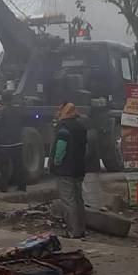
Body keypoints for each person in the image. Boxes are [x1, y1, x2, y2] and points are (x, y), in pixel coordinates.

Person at [52, 102, 88, 238]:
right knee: (78, 199)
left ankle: (72, 231)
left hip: (65, 170)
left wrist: (56, 163)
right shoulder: (81, 126)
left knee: (68, 201)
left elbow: (61, 148)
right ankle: (81, 229)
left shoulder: (63, 127)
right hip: (79, 168)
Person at [0, 92, 27, 193]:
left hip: (4, 143)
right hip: (17, 142)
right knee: (19, 165)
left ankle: (3, 187)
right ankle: (22, 186)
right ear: (12, 99)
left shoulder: (1, 110)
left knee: (4, 165)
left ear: (2, 99)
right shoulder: (17, 110)